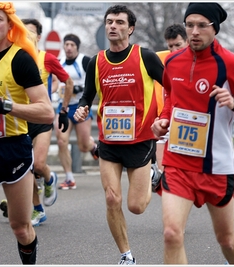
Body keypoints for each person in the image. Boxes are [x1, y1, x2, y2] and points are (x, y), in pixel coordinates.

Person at [151, 3, 234, 264]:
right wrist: (162, 119)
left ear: (214, 29)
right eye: (189, 25)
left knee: (226, 239)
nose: (194, 31)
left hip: (216, 167)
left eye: (201, 26)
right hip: (178, 162)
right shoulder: (172, 61)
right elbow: (171, 96)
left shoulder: (231, 64)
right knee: (172, 234)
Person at [73, 4, 164, 265]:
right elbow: (87, 97)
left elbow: (171, 86)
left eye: (120, 22)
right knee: (112, 198)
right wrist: (81, 109)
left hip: (140, 139)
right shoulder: (96, 61)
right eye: (109, 21)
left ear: (130, 28)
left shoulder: (145, 57)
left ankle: (150, 172)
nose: (113, 26)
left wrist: (164, 116)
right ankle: (126, 255)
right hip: (109, 140)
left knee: (136, 207)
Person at [0, 2, 55, 264]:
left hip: (12, 147)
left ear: (9, 26)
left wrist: (5, 106)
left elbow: (46, 112)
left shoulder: (20, 59)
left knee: (20, 227)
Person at [22, 18, 74, 226]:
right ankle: (37, 209)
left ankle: (49, 178)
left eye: (31, 32)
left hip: (42, 117)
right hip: (20, 119)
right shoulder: (13, 58)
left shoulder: (47, 59)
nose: (26, 35)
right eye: (22, 31)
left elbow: (67, 82)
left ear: (39, 37)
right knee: (26, 168)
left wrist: (63, 110)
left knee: (38, 164)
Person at [56, 33, 98, 190]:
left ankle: (92, 145)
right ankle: (69, 178)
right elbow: (54, 82)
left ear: (77, 47)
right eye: (66, 44)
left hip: (81, 107)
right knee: (61, 141)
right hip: (64, 107)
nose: (68, 48)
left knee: (83, 146)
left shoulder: (84, 61)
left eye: (72, 45)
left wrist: (82, 88)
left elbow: (95, 79)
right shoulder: (59, 63)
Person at [153, 23, 188, 188]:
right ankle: (160, 176)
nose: (174, 50)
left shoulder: (201, 61)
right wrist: (163, 117)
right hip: (170, 116)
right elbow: (167, 94)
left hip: (193, 121)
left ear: (187, 42)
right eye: (170, 47)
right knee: (165, 177)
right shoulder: (166, 62)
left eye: (178, 45)